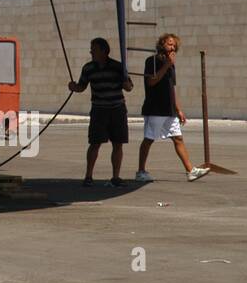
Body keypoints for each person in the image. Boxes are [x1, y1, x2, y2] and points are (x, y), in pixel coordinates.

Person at [136, 33, 209, 182]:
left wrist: (178, 109)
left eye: (174, 45)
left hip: (169, 109)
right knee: (149, 139)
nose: (172, 47)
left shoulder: (171, 65)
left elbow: (172, 88)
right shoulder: (152, 61)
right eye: (169, 44)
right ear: (162, 44)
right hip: (155, 108)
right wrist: (167, 65)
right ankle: (141, 171)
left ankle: (190, 171)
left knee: (178, 138)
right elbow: (151, 82)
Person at [68, 37, 134, 187]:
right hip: (99, 110)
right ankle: (88, 175)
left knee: (118, 144)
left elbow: (129, 87)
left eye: (94, 49)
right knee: (95, 143)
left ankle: (115, 177)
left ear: (104, 51)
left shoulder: (118, 67)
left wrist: (125, 82)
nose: (91, 51)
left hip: (117, 109)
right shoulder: (88, 68)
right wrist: (73, 86)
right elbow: (81, 87)